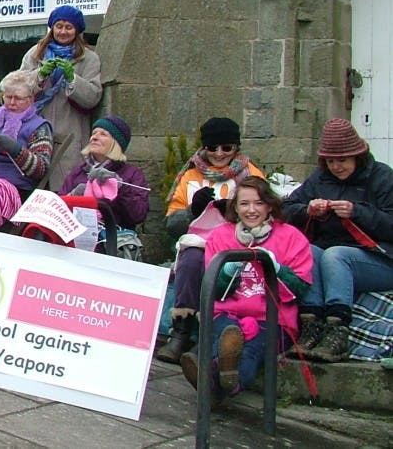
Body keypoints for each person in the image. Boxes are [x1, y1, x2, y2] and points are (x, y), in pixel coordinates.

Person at [179, 177, 312, 402]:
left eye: (258, 203)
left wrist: (277, 269)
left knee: (252, 350)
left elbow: (300, 288)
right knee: (224, 335)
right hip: (227, 312)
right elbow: (214, 291)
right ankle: (223, 383)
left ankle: (212, 384)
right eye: (244, 204)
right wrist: (227, 272)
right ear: (235, 208)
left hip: (273, 318)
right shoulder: (221, 235)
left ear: (270, 205)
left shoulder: (291, 237)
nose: (251, 210)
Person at [156, 117, 265, 363]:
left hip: (237, 245)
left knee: (220, 268)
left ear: (236, 147)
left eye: (226, 148)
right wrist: (193, 210)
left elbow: (264, 213)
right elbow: (171, 225)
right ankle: (181, 333)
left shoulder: (250, 174)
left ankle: (206, 338)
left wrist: (234, 211)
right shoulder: (190, 176)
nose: (219, 154)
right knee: (191, 260)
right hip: (197, 243)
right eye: (212, 148)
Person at [284, 118, 393, 362]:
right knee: (308, 250)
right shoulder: (319, 179)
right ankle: (310, 324)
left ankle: (337, 330)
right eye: (331, 161)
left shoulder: (382, 176)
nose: (336, 167)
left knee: (336, 254)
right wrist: (307, 210)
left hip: (380, 258)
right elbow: (285, 209)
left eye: (342, 160)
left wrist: (358, 212)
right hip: (330, 257)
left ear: (358, 156)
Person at [19, 5, 102, 191]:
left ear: (77, 31)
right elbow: (17, 88)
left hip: (70, 139)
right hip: (35, 136)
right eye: (59, 26)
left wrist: (73, 78)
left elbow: (93, 97)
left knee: (65, 193)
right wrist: (39, 75)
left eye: (68, 27)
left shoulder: (89, 59)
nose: (63, 31)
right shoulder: (35, 53)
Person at [59, 116, 149, 230]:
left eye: (103, 134)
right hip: (76, 239)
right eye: (94, 133)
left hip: (113, 241)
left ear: (116, 142)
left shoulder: (132, 174)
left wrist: (119, 187)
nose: (94, 137)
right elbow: (57, 210)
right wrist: (72, 196)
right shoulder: (78, 172)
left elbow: (138, 215)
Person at [0, 69, 53, 199]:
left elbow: (40, 169)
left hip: (14, 186)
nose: (12, 103)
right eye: (8, 97)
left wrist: (16, 150)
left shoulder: (39, 126)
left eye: (18, 98)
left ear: (31, 99)